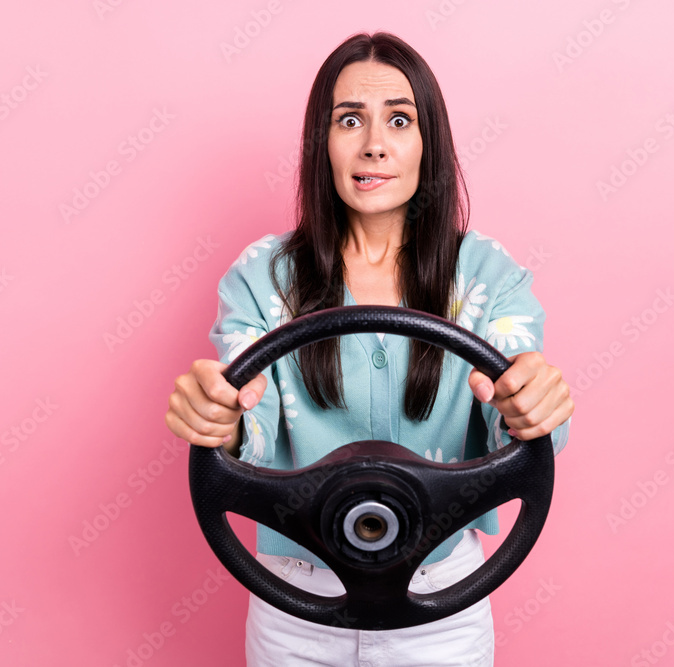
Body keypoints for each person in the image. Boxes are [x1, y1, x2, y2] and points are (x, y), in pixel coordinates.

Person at [166, 30, 574, 667]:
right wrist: (219, 417)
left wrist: (533, 404)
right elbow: (248, 408)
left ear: (427, 143)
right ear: (321, 143)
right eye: (349, 120)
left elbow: (517, 422)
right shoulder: (263, 276)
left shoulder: (490, 276)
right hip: (297, 600)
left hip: (441, 600)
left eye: (400, 120)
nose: (374, 144)